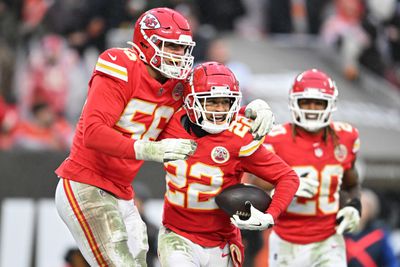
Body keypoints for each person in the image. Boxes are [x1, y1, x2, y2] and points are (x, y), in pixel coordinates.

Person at [54, 7, 275, 266]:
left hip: (122, 191)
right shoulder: (121, 66)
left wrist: (246, 111)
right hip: (86, 183)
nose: (178, 56)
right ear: (146, 44)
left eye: (182, 49)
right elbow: (92, 132)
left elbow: (206, 108)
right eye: (170, 47)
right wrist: (151, 150)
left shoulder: (177, 85)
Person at [157, 61, 299, 267]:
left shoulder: (239, 138)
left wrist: (271, 215)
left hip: (222, 241)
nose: (220, 110)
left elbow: (288, 177)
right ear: (190, 101)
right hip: (177, 235)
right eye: (212, 102)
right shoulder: (167, 123)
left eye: (226, 102)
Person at [261, 69, 362, 266]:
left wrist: (354, 205)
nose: (312, 108)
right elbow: (255, 190)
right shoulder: (276, 139)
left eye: (319, 103)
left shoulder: (346, 137)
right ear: (294, 103)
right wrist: (286, 186)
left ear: (330, 104)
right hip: (285, 240)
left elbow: (351, 184)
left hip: (328, 240)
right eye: (305, 102)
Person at [345, 188, 399, 267]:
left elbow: (391, 262)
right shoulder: (340, 234)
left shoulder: (378, 235)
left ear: (372, 209)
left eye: (365, 205)